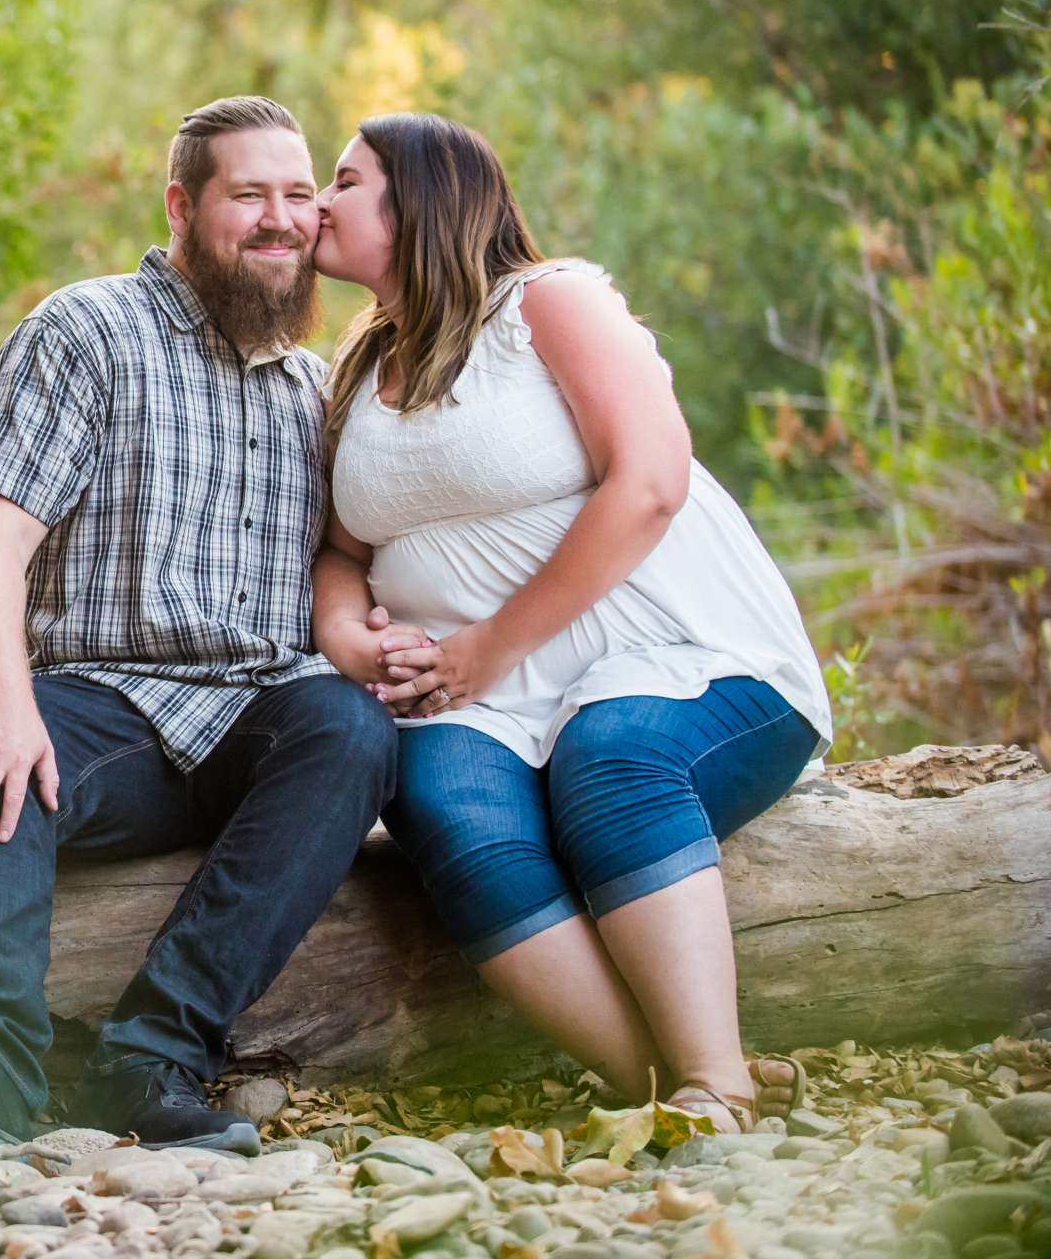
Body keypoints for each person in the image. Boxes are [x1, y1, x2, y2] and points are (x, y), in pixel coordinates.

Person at [0, 94, 401, 1154]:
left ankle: (152, 1064)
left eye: (296, 197)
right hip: (106, 713)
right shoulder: (87, 331)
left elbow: (353, 567)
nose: (280, 221)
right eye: (248, 197)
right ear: (183, 207)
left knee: (353, 732)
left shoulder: (314, 389)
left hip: (257, 724)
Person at [309, 112, 830, 1132]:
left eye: (343, 180)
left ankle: (713, 1075)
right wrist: (346, 636)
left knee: (615, 756)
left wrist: (488, 646)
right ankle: (667, 1088)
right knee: (445, 810)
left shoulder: (550, 305)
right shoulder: (362, 369)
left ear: (425, 199)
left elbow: (651, 481)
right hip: (481, 699)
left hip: (683, 655)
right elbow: (342, 553)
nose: (318, 204)